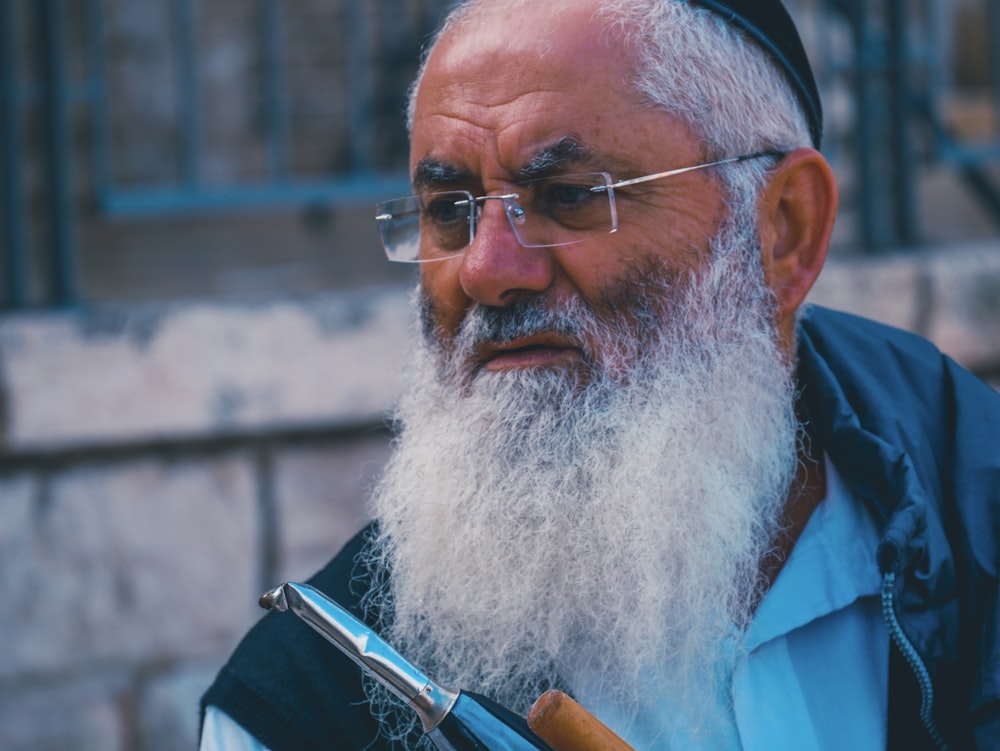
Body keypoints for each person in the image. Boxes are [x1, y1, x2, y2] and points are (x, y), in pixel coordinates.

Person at [200, 0, 1000, 748]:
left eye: (569, 196)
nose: (485, 269)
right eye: (450, 208)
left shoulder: (977, 513)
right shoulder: (297, 709)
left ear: (783, 231)